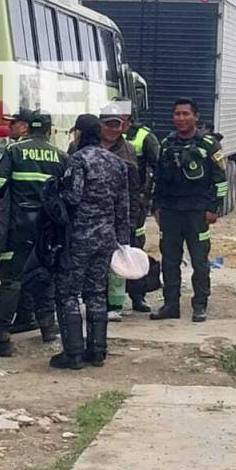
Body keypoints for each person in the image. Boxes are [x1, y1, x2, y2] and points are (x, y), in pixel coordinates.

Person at [0, 109, 68, 357]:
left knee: (11, 279)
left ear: (28, 128)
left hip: (18, 226)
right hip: (48, 229)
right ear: (49, 131)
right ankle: (48, 329)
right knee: (45, 275)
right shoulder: (61, 156)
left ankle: (0, 337)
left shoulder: (13, 150)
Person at [52, 114, 131, 369]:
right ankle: (97, 351)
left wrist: (55, 189)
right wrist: (123, 241)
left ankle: (73, 353)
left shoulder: (78, 160)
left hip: (79, 237)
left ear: (80, 134)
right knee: (97, 293)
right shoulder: (117, 163)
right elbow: (123, 205)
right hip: (106, 238)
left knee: (67, 293)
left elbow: (73, 197)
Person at [151, 98, 227, 322]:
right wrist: (156, 205)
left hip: (197, 212)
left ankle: (200, 305)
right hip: (171, 212)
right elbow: (159, 178)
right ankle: (170, 305)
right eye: (177, 114)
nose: (181, 118)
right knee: (169, 261)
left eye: (185, 114)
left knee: (200, 262)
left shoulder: (208, 145)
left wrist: (213, 208)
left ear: (196, 117)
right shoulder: (166, 143)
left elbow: (220, 180)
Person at [99, 102, 142, 322]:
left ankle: (114, 305)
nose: (114, 129)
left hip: (118, 216)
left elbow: (134, 189)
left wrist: (133, 219)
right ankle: (95, 302)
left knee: (117, 262)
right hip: (92, 218)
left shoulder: (128, 151)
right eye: (109, 125)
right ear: (101, 125)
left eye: (117, 125)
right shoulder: (85, 146)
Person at [123, 107, 161, 313]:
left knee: (135, 249)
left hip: (134, 203)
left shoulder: (145, 137)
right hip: (109, 203)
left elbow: (157, 168)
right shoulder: (104, 133)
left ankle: (138, 296)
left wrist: (147, 194)